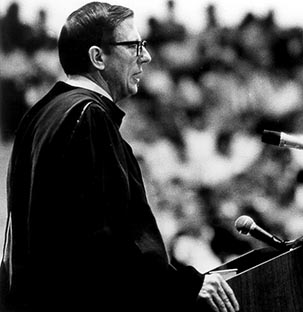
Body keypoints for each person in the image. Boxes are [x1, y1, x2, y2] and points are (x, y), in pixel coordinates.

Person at [0, 2, 239, 312]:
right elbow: (103, 242)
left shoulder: (42, 115)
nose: (146, 56)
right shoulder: (88, 116)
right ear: (98, 57)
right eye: (134, 45)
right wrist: (184, 285)